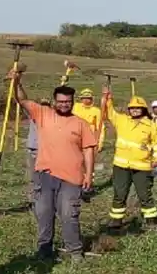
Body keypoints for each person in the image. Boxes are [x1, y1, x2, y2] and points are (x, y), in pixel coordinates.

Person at [11, 69, 97, 261]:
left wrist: (89, 175)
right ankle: (44, 250)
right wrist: (17, 83)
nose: (64, 104)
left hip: (71, 178)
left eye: (67, 101)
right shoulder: (43, 114)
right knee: (44, 214)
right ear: (54, 101)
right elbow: (22, 101)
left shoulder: (81, 124)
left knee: (69, 215)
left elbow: (89, 150)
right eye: (60, 101)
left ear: (72, 102)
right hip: (45, 175)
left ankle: (75, 251)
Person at [102, 91, 157, 230]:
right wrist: (108, 99)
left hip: (142, 167)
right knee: (119, 193)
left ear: (143, 109)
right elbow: (110, 113)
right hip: (121, 165)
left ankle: (151, 220)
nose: (134, 110)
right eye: (132, 108)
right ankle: (116, 221)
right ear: (128, 109)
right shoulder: (122, 120)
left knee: (145, 194)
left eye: (138, 108)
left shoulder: (151, 125)